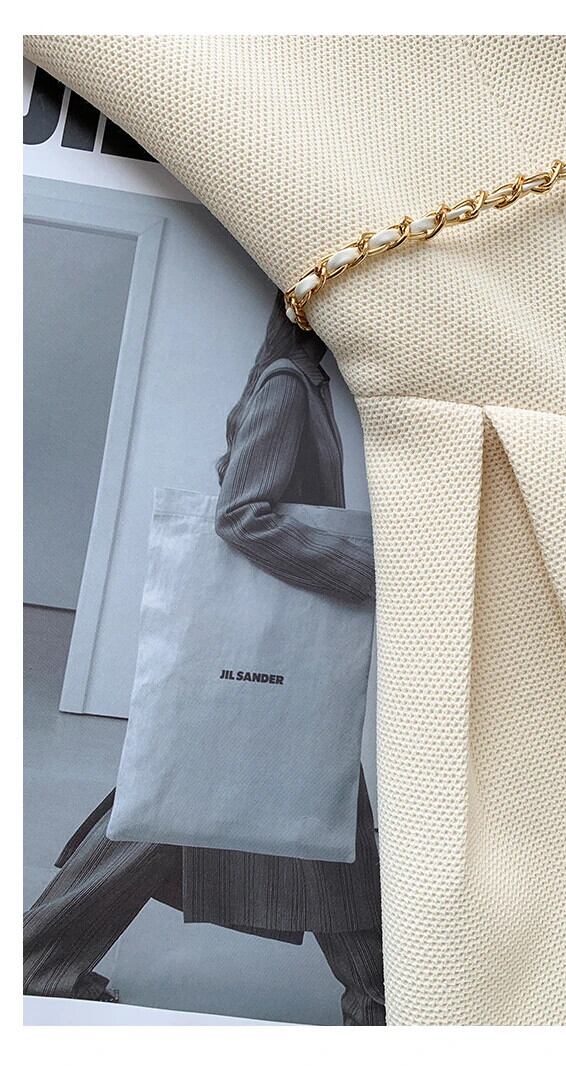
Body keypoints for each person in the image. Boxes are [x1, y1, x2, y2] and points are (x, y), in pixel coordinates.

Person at [24, 293, 385, 1025]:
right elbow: (241, 515)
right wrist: (361, 571)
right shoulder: (289, 385)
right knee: (298, 811)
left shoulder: (297, 380)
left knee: (202, 807)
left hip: (271, 663)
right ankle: (379, 999)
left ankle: (39, 961)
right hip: (274, 660)